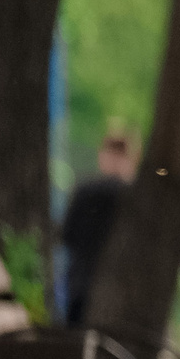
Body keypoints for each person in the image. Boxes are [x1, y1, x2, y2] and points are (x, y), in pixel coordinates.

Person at [56, 127, 135, 328]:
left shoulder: (86, 191)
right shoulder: (133, 198)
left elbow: (67, 235)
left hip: (81, 285)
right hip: (121, 291)